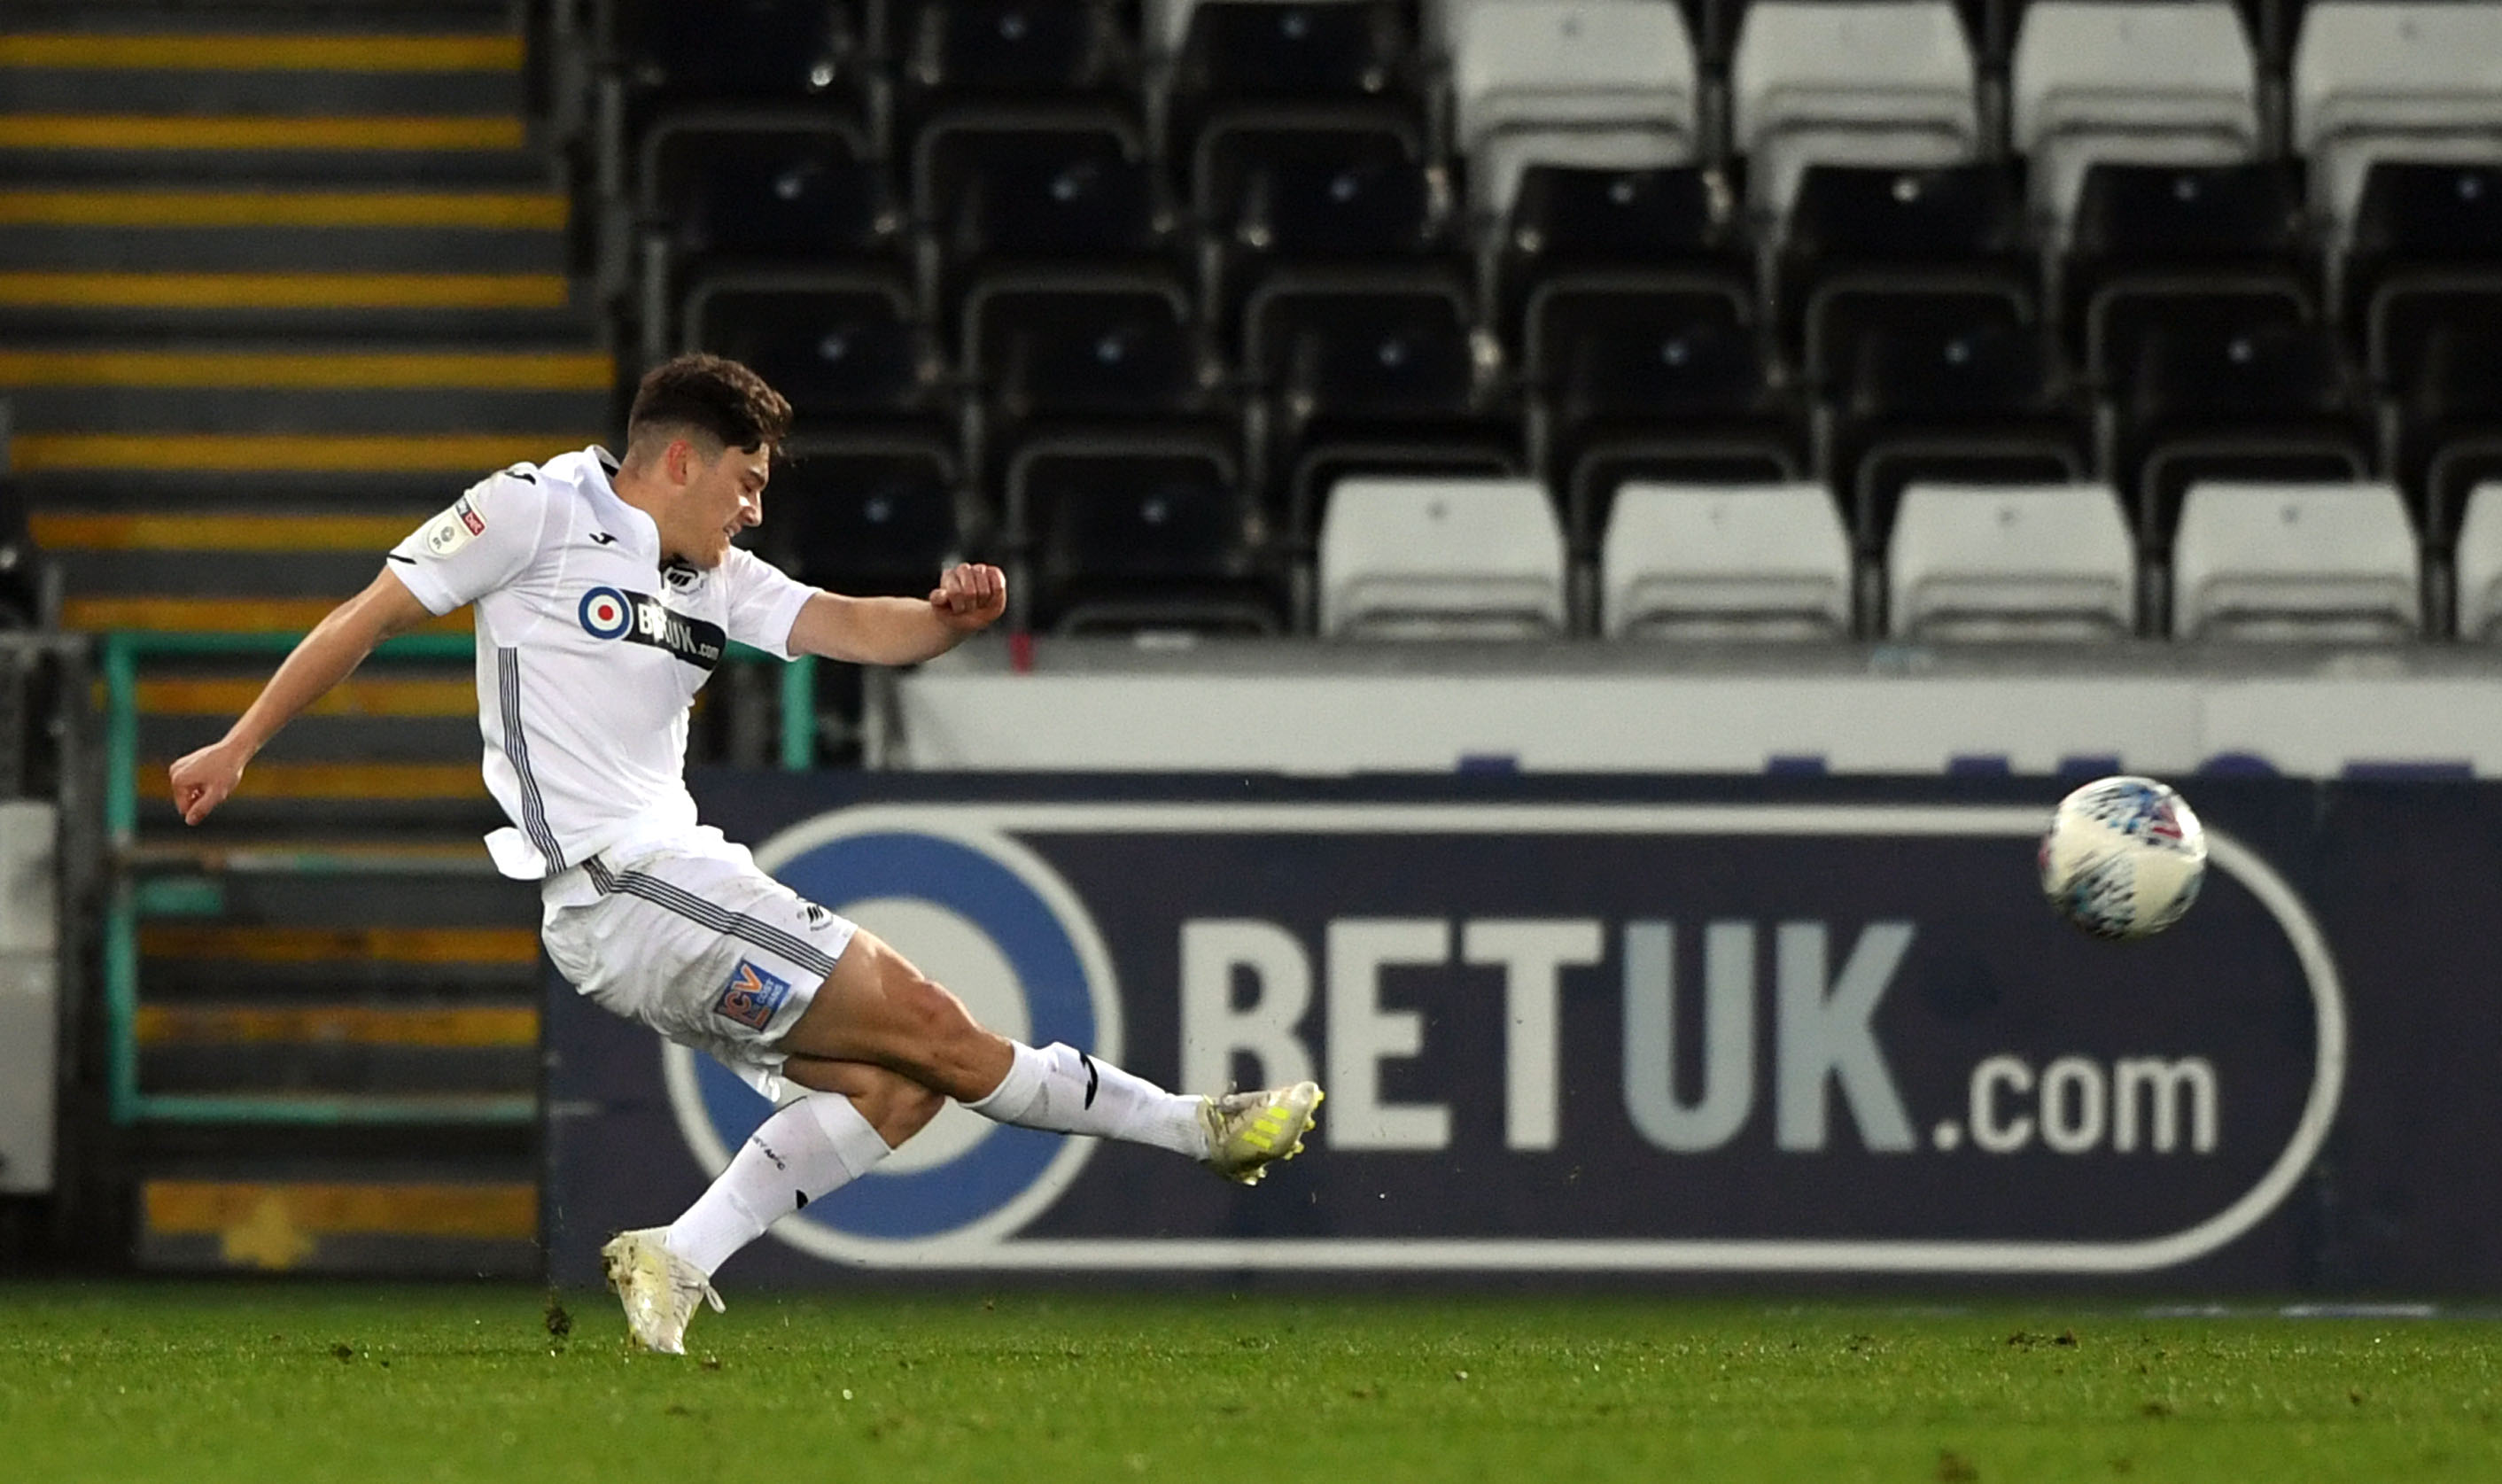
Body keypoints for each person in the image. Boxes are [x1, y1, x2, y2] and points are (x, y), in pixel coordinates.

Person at [167, 354, 1324, 1353]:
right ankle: (1196, 1130)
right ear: (681, 460)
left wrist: (945, 619)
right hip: (625, 884)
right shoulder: (531, 512)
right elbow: (367, 613)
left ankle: (677, 1253)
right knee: (936, 1029)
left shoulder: (715, 578)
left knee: (896, 1088)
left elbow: (851, 625)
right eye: (748, 481)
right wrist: (240, 743)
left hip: (660, 889)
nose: (756, 509)